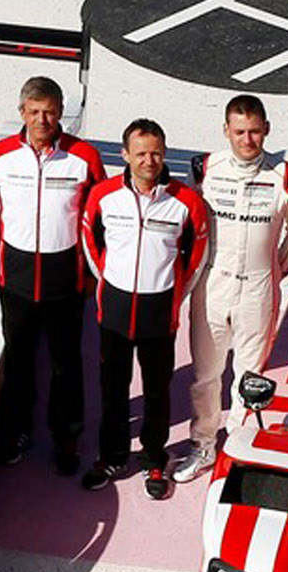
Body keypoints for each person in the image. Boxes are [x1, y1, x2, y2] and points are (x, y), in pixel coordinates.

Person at [0, 75, 106, 474]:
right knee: (19, 363)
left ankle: (67, 439)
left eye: (49, 111)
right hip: (15, 280)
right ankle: (15, 434)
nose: (42, 119)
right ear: (22, 113)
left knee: (67, 365)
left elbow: (99, 218)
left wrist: (96, 272)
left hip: (67, 280)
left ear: (61, 112)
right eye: (34, 112)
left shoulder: (85, 157)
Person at [78, 121, 210, 498]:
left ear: (165, 153)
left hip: (160, 310)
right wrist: (107, 279)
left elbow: (196, 255)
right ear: (125, 155)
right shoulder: (103, 196)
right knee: (112, 389)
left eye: (155, 153)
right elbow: (90, 239)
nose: (148, 161)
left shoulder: (186, 201)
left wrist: (175, 293)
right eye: (140, 153)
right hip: (115, 308)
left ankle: (155, 459)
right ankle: (112, 456)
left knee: (157, 391)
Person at [182, 92, 288, 480]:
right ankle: (203, 446)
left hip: (259, 288)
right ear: (226, 130)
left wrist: (275, 271)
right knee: (205, 375)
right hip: (212, 284)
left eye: (255, 132)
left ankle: (237, 451)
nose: (247, 140)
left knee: (249, 377)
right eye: (239, 131)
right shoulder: (204, 168)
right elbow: (191, 226)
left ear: (267, 130)